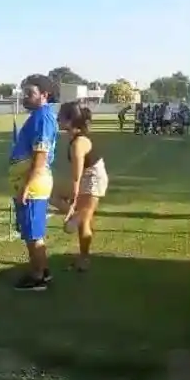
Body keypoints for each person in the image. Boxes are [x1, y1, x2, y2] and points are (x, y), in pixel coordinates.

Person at [9, 74, 59, 291]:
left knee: (33, 235)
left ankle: (37, 277)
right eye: (24, 93)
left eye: (30, 93)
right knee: (32, 232)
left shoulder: (43, 118)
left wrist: (26, 187)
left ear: (44, 95)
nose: (25, 98)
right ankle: (43, 270)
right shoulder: (39, 115)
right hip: (30, 182)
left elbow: (41, 154)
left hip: (33, 185)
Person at [56, 102, 107, 272]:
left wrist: (74, 196)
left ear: (70, 120)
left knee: (84, 220)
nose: (57, 119)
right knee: (54, 196)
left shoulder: (79, 143)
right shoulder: (74, 139)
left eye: (61, 116)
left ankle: (84, 258)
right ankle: (83, 256)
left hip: (92, 178)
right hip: (87, 177)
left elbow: (76, 175)